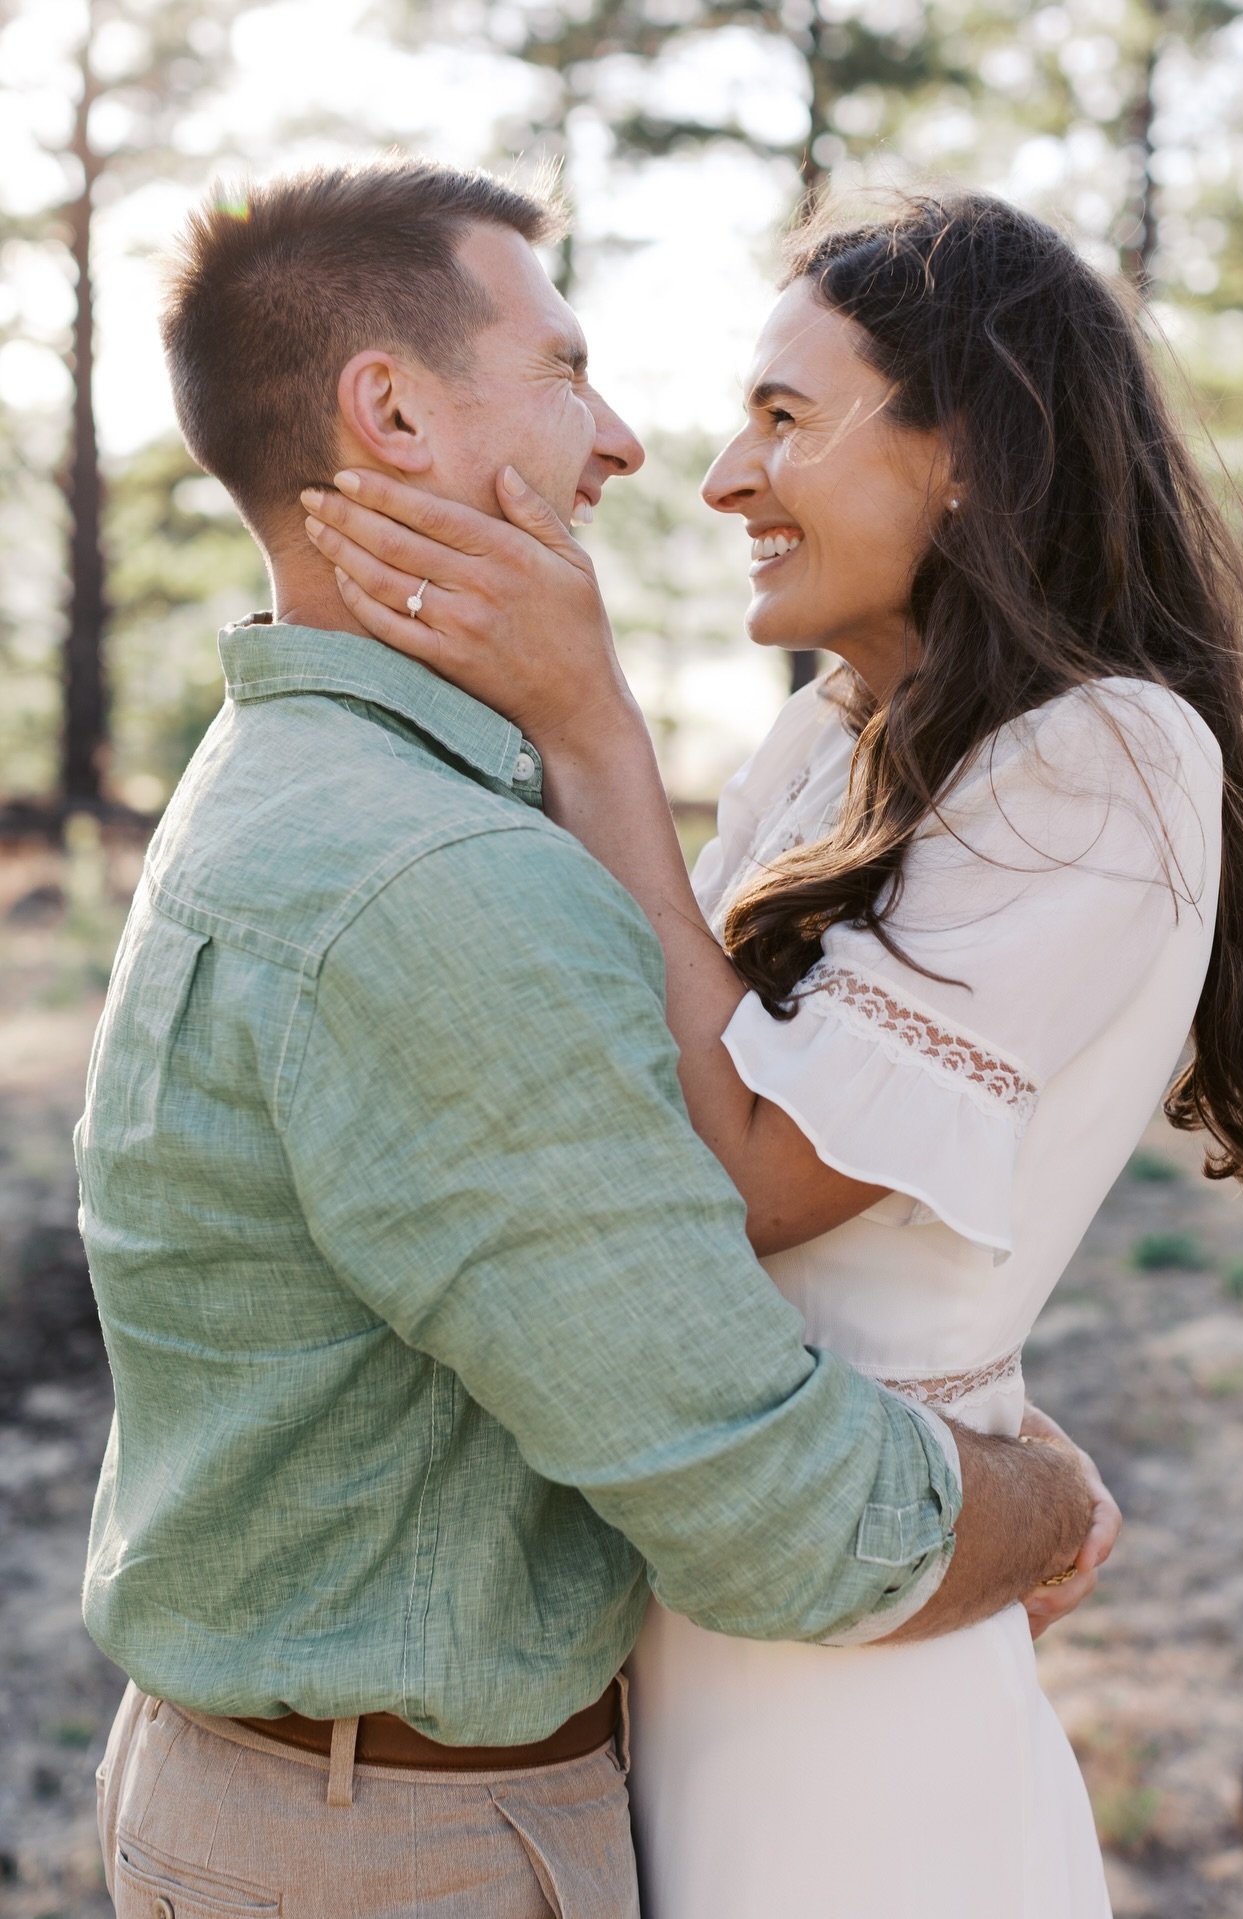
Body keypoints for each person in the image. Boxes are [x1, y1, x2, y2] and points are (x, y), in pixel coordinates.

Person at [307, 189, 1243, 1915]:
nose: (722, 479)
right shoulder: (837, 738)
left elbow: (749, 1176)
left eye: (784, 417)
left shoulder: (1110, 758)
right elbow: (646, 1056)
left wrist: (592, 724)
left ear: (968, 452)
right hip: (710, 1576)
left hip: (837, 1690)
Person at [78, 161, 1112, 1918]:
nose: (626, 443)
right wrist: (1043, 1500)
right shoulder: (442, 878)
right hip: (401, 1857)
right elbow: (776, 1519)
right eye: (564, 369)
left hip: (273, 1801)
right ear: (393, 411)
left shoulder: (283, 781)